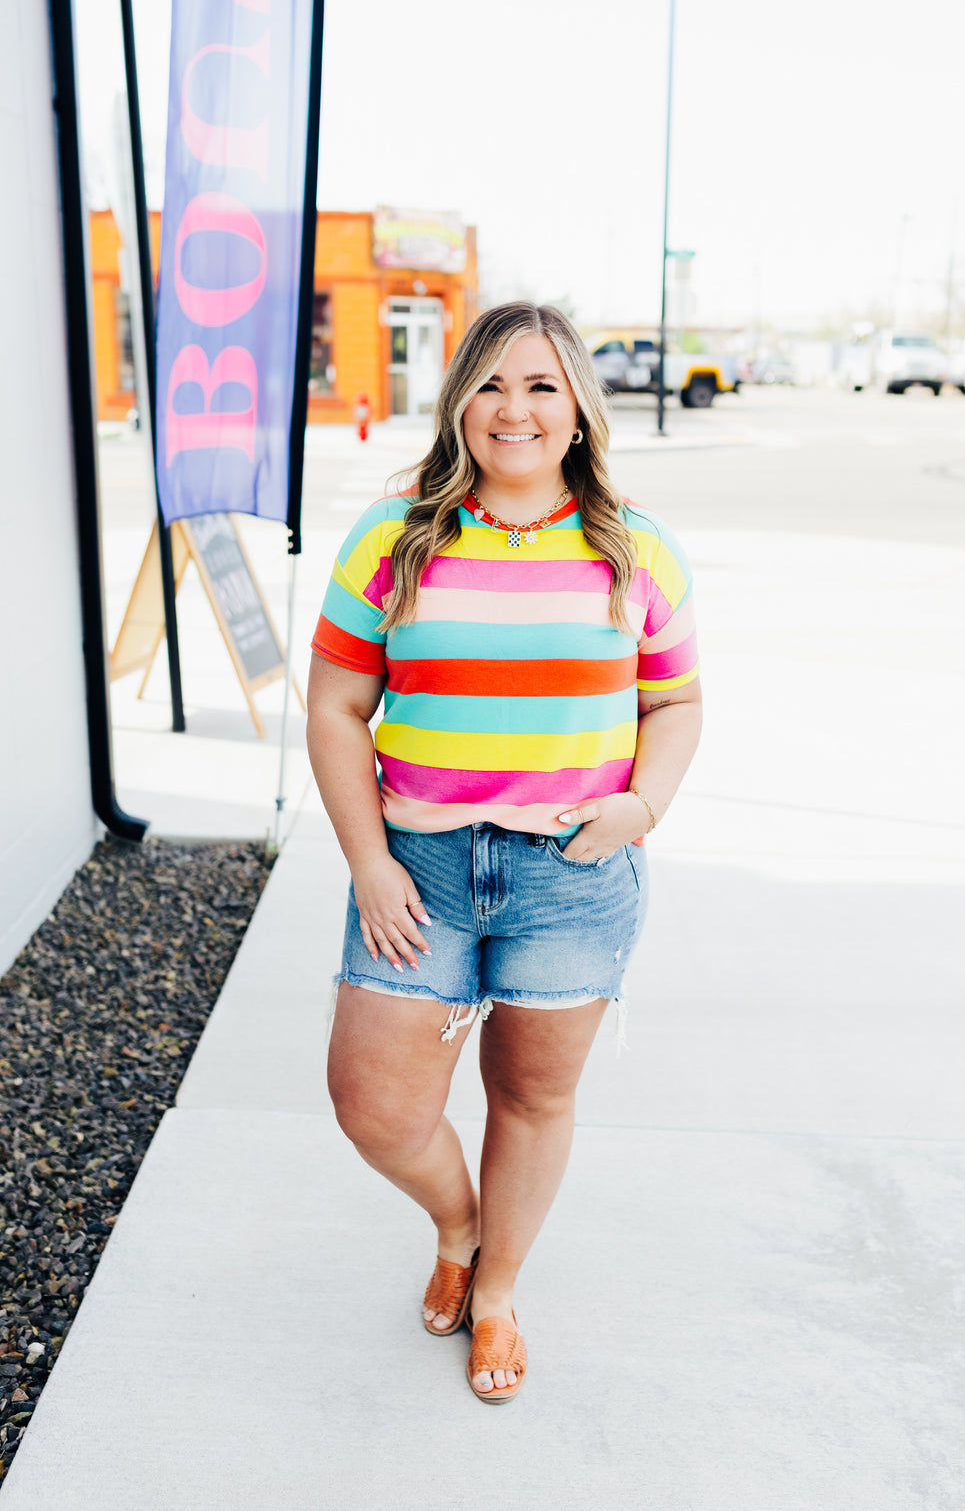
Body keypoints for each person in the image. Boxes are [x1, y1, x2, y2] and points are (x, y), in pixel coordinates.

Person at [307, 302, 701, 1403]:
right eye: (489, 384)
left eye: (539, 386)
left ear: (577, 408)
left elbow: (676, 701)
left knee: (530, 1097)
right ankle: (457, 1224)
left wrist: (645, 806)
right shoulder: (397, 536)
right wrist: (369, 861)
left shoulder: (634, 546)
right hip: (418, 869)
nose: (512, 408)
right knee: (372, 1101)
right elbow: (337, 709)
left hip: (572, 875)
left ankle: (497, 1293)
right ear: (458, 404)